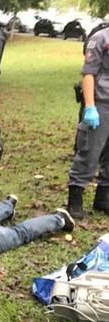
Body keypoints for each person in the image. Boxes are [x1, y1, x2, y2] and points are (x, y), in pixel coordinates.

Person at [68, 25, 109, 220]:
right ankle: (75, 200)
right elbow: (88, 74)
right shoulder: (100, 38)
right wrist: (90, 106)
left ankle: (103, 198)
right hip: (102, 104)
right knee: (89, 151)